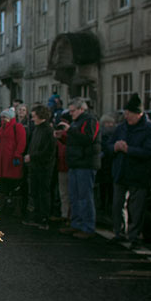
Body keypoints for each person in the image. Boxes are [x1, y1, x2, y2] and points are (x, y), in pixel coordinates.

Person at [107, 94, 151, 248]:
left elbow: (150, 152)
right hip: (120, 171)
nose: (127, 116)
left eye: (130, 113)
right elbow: (108, 146)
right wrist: (115, 147)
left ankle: (134, 236)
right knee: (117, 204)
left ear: (139, 113)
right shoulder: (121, 127)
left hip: (138, 173)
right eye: (126, 113)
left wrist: (129, 149)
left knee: (136, 207)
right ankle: (119, 232)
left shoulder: (150, 130)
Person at [60, 97, 101, 239]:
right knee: (75, 196)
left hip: (85, 164)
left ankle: (87, 226)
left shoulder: (90, 120)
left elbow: (88, 138)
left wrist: (70, 130)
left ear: (81, 109)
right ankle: (76, 224)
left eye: (73, 111)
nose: (70, 114)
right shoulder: (78, 121)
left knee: (85, 197)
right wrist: (62, 137)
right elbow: (75, 140)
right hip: (76, 163)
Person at [23, 105, 56, 229]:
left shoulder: (48, 130)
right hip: (35, 166)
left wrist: (32, 157)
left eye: (34, 116)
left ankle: (43, 218)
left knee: (43, 193)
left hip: (44, 168)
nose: (32, 119)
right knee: (35, 193)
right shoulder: (38, 129)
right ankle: (37, 217)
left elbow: (48, 152)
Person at [0, 107, 27, 216]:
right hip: (1, 161)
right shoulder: (2, 128)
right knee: (2, 184)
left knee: (12, 184)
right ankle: (4, 206)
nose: (3, 119)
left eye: (5, 117)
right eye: (2, 117)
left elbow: (21, 142)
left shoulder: (18, 127)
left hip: (11, 160)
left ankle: (14, 208)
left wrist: (17, 154)